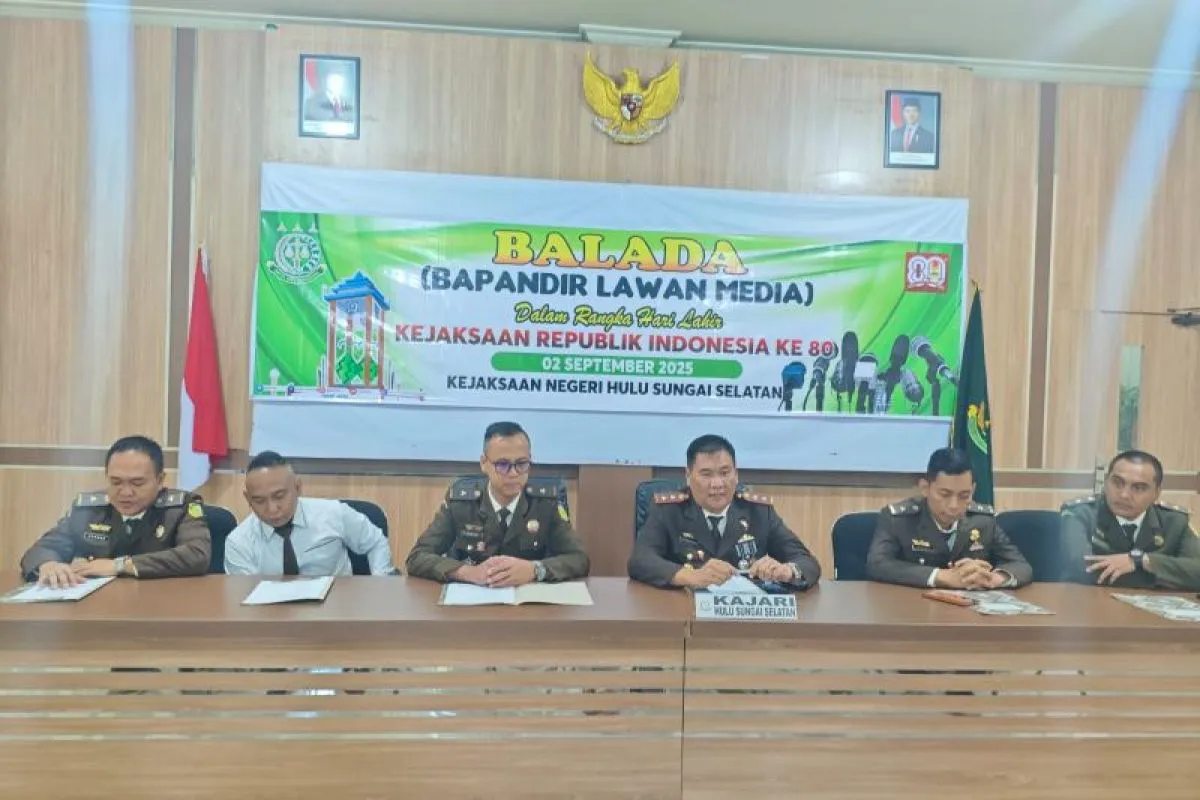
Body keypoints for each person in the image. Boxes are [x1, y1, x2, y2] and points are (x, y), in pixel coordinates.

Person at [405, 422, 589, 585]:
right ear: (484, 463)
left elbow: (579, 559)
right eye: (502, 464)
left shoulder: (545, 504)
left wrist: (535, 570)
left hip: (529, 604)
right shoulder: (461, 503)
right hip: (473, 602)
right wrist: (467, 572)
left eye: (522, 464)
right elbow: (417, 557)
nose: (513, 473)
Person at [628, 434, 820, 590]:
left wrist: (787, 571)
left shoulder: (759, 512)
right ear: (688, 475)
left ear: (736, 474)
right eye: (706, 474)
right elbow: (640, 560)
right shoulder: (669, 511)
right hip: (685, 611)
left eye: (725, 473)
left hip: (742, 616)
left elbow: (807, 563)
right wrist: (692, 576)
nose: (717, 484)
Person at [20, 435, 211, 587]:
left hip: (160, 605)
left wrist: (119, 565)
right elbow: (41, 549)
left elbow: (196, 555)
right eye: (116, 482)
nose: (125, 492)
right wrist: (48, 565)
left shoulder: (180, 508)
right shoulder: (89, 510)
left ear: (160, 480)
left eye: (137, 483)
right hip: (97, 608)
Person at [867, 448, 1032, 589]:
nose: (954, 505)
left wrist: (993, 578)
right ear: (925, 488)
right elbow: (878, 564)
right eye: (945, 494)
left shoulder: (983, 521)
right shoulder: (899, 519)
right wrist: (941, 576)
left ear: (973, 490)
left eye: (964, 495)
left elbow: (1021, 566)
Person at [224, 451, 396, 576]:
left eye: (279, 496)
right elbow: (246, 599)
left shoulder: (333, 513)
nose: (272, 509)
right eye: (259, 501)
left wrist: (380, 584)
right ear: (248, 499)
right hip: (273, 614)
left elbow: (375, 542)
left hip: (336, 608)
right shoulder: (239, 542)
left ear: (298, 487)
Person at [1060, 450, 1200, 590]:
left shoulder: (1174, 522)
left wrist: (1143, 561)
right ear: (1106, 482)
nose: (1124, 495)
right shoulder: (1082, 514)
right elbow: (1082, 570)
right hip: (1089, 600)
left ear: (1156, 493)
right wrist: (1166, 575)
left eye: (1138, 488)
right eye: (1117, 483)